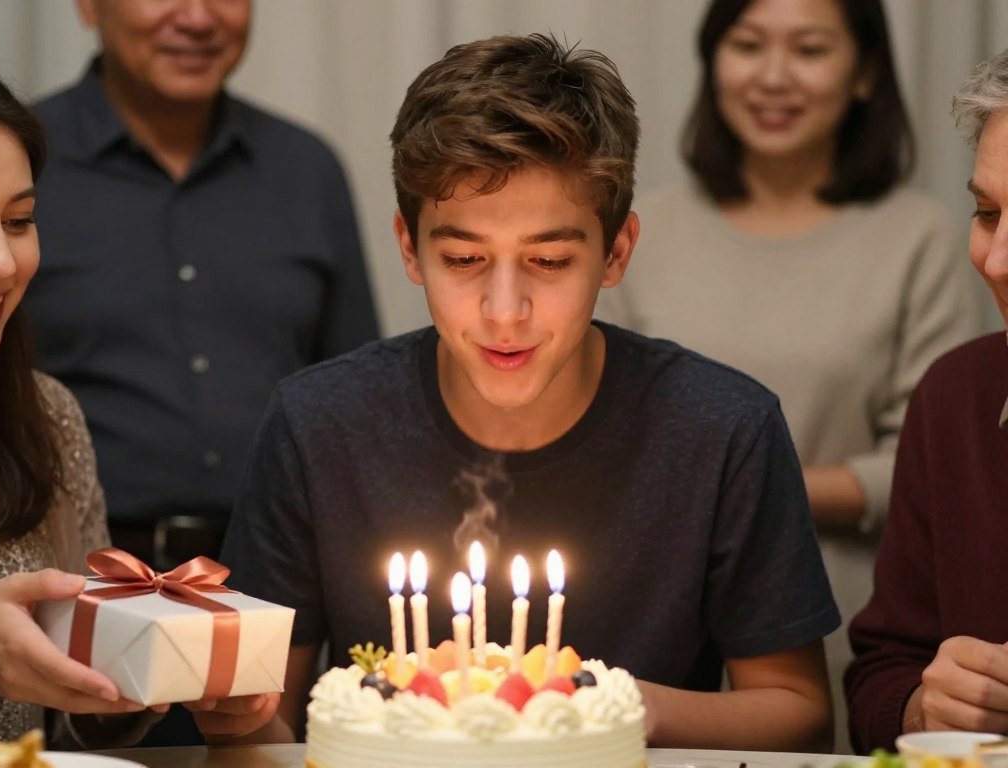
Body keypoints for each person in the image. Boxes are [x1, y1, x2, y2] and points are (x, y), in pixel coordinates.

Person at [185, 33, 840, 750]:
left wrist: (610, 710)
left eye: (550, 259)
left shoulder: (722, 431)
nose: (505, 310)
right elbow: (263, 722)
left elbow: (799, 711)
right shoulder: (320, 425)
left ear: (616, 252)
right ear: (409, 248)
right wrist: (232, 709)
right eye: (464, 258)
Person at [595, 0, 981, 749]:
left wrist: (753, 482)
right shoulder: (644, 231)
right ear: (713, 61)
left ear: (865, 71)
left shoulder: (923, 238)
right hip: (662, 626)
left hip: (841, 620)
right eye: (747, 45)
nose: (773, 77)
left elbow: (942, 461)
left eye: (809, 49)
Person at [23, 0, 379, 571]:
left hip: (275, 577)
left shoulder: (305, 169)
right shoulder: (20, 165)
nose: (197, 18)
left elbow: (356, 404)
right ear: (88, 6)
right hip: (77, 576)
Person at [0, 67, 161, 744]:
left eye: (19, 221)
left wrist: (141, 679)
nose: (0, 260)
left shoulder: (48, 417)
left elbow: (70, 722)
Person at [845, 49, 1008, 752]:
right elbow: (881, 670)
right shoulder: (958, 398)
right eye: (986, 213)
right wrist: (923, 708)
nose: (996, 261)